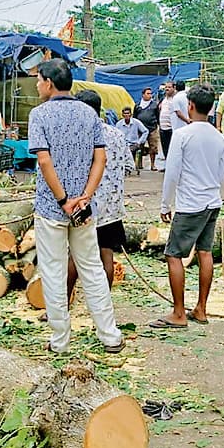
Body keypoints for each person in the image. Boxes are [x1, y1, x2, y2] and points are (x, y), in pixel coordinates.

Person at [27, 59, 124, 354]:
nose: (37, 85)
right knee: (92, 268)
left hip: (52, 207)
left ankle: (60, 340)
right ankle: (110, 335)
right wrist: (85, 197)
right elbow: (100, 159)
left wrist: (63, 200)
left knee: (53, 271)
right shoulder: (89, 113)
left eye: (39, 80)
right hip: (83, 208)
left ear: (49, 83)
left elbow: (44, 161)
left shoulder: (39, 114)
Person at [152, 85, 224, 328]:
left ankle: (178, 313)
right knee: (205, 252)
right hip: (212, 201)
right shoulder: (219, 137)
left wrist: (165, 204)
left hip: (191, 203)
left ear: (190, 106)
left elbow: (172, 173)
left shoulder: (182, 135)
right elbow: (221, 176)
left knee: (173, 255)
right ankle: (201, 309)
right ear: (211, 108)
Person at [66, 91, 132, 304]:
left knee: (75, 256)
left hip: (85, 206)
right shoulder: (117, 134)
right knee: (106, 255)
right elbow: (129, 166)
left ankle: (63, 304)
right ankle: (103, 306)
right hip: (112, 208)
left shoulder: (78, 136)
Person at [115, 106, 149, 174]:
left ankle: (129, 166)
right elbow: (115, 134)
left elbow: (145, 131)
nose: (126, 115)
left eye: (128, 113)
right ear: (122, 115)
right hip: (123, 144)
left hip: (134, 144)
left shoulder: (136, 122)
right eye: (125, 113)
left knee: (129, 150)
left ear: (131, 114)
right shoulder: (119, 124)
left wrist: (139, 142)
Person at [134, 86, 161, 171]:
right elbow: (134, 117)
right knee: (139, 146)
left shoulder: (154, 105)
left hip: (152, 128)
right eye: (148, 93)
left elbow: (158, 116)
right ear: (143, 95)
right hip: (140, 130)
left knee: (153, 147)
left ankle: (152, 165)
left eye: (150, 93)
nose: (150, 95)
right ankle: (139, 164)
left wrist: (158, 125)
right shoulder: (138, 105)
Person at [158, 81, 175, 162]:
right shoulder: (163, 99)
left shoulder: (175, 99)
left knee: (172, 149)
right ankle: (167, 164)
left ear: (174, 88)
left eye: (169, 87)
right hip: (162, 128)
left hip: (171, 128)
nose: (167, 89)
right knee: (165, 149)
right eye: (166, 87)